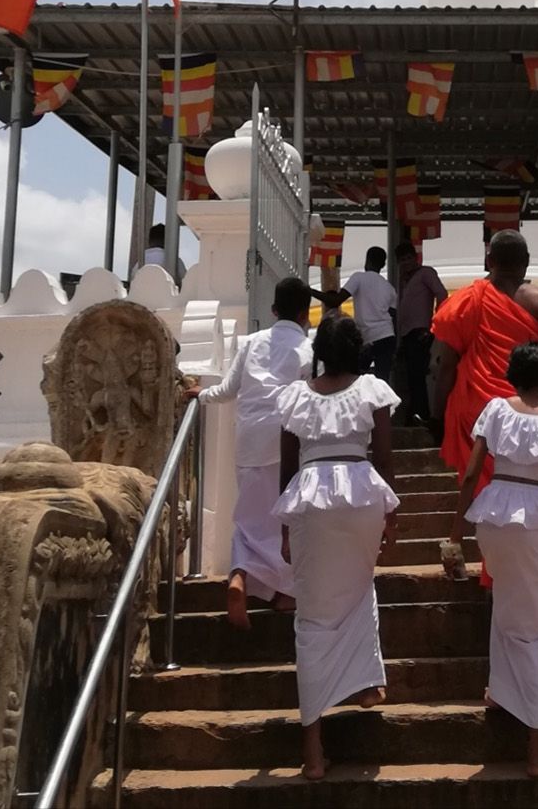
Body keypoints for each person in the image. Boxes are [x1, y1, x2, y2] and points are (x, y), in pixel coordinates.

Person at [446, 341, 538, 778]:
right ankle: (534, 745)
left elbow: (471, 474)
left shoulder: (496, 410)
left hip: (493, 513)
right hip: (534, 516)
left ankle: (502, 689)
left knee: (508, 603)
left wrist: (454, 535)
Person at [273, 315, 399, 780]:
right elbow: (384, 458)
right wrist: (392, 514)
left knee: (311, 615)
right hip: (362, 493)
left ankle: (312, 747)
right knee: (359, 586)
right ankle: (366, 684)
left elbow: (287, 466)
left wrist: (285, 529)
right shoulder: (372, 390)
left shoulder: (294, 395)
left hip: (309, 497)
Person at [195, 275, 313, 627]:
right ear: (307, 313)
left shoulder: (250, 343)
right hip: (286, 443)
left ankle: (240, 577)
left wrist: (199, 395)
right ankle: (284, 593)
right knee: (284, 521)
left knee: (248, 521)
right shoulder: (308, 350)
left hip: (247, 440)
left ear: (274, 309)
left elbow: (228, 389)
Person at [429, 230, 538, 502]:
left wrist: (437, 413)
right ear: (527, 261)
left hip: (477, 413)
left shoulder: (465, 302)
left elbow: (446, 366)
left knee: (480, 491)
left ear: (489, 261)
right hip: (532, 412)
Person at [392, 241, 448, 426]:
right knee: (411, 377)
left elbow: (441, 294)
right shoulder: (403, 280)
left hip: (421, 332)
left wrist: (435, 325)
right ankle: (414, 412)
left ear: (415, 258)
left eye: (409, 258)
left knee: (418, 375)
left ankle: (423, 414)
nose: (406, 263)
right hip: (407, 334)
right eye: (402, 260)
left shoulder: (426, 273)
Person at [326, 247, 397, 380]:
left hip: (367, 338)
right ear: (383, 264)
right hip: (387, 336)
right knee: (383, 380)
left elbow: (336, 301)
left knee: (354, 377)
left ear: (367, 261)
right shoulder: (389, 288)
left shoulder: (358, 278)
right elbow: (394, 317)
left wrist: (310, 292)